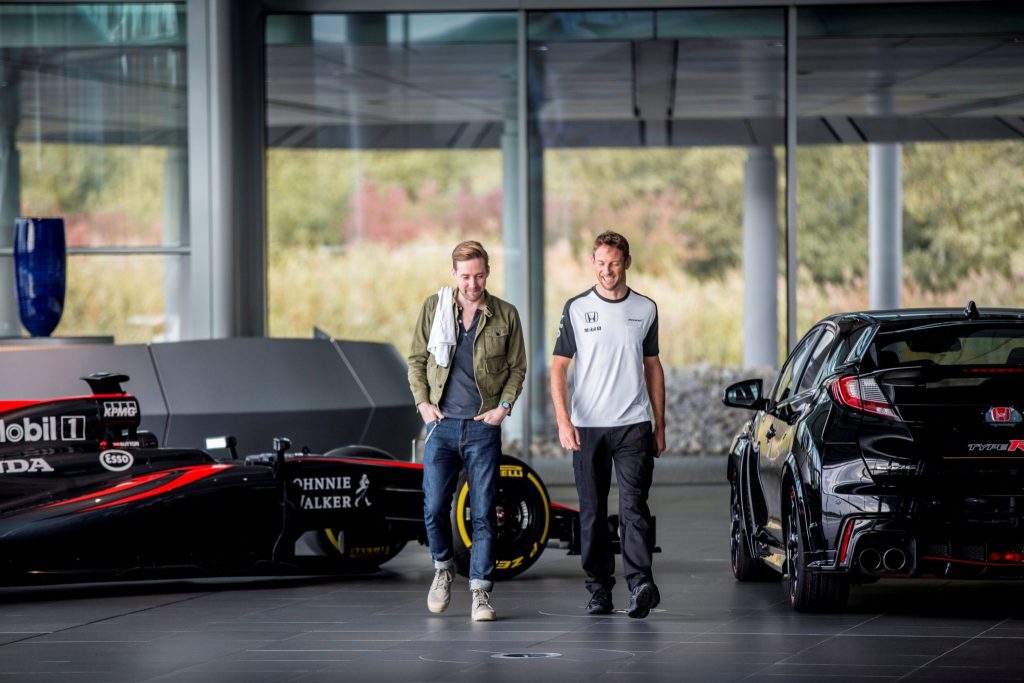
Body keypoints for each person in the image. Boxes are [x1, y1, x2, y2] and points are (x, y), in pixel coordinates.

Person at [407, 240, 527, 622]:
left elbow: (517, 368)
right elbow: (417, 360)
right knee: (434, 506)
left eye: (478, 275)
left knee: (483, 513)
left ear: (487, 273)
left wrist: (503, 409)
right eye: (465, 276)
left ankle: (480, 592)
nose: (472, 283)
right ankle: (444, 568)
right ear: (453, 274)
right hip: (441, 426)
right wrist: (423, 404)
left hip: (481, 427)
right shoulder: (434, 308)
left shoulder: (505, 314)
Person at [550, 230, 666, 619]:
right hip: (587, 427)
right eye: (600, 263)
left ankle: (640, 585)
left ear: (627, 262)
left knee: (634, 507)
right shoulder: (577, 309)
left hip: (634, 423)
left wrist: (659, 424)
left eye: (614, 263)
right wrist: (564, 421)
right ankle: (599, 590)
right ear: (593, 263)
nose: (607, 271)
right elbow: (559, 367)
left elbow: (653, 366)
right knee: (592, 512)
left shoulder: (646, 309)